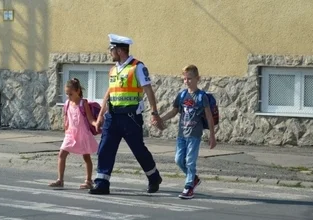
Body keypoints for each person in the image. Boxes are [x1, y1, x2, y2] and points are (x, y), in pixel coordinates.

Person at [88, 34, 163, 195]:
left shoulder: (137, 67)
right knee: (105, 148)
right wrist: (101, 115)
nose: (110, 52)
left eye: (112, 49)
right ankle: (102, 183)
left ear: (120, 50)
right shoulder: (113, 69)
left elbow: (148, 89)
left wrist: (154, 113)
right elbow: (109, 93)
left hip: (130, 118)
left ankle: (154, 177)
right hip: (113, 116)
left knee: (138, 150)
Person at [158, 64, 217, 199]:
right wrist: (161, 119)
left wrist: (212, 136)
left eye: (189, 78)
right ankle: (194, 178)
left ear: (198, 79)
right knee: (179, 160)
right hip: (182, 134)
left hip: (194, 135)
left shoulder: (202, 96)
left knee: (190, 161)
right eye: (184, 79)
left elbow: (209, 116)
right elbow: (174, 111)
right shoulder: (182, 95)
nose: (187, 81)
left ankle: (189, 186)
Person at [49, 78, 98, 189]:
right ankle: (60, 180)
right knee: (62, 154)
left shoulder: (83, 103)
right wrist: (66, 128)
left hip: (83, 134)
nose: (68, 96)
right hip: (71, 134)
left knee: (86, 157)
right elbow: (66, 117)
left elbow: (90, 119)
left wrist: (96, 123)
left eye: (70, 94)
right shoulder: (67, 103)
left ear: (78, 91)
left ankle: (89, 181)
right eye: (67, 94)